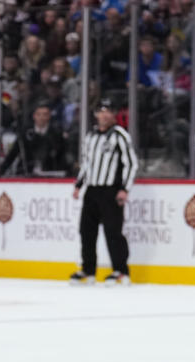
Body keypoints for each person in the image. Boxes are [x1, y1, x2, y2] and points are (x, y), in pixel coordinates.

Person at [70, 99, 137, 286]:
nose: (104, 115)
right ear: (96, 114)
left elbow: (131, 163)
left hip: (111, 190)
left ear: (113, 115)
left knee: (113, 231)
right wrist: (78, 185)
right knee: (86, 231)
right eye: (101, 111)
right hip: (92, 189)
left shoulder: (120, 135)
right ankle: (88, 270)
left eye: (108, 111)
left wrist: (124, 188)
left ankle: (121, 270)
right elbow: (87, 163)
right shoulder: (90, 136)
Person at [0, 103, 67, 176]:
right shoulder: (25, 133)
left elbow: (61, 155)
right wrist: (1, 171)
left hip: (49, 173)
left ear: (49, 116)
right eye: (38, 114)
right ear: (34, 116)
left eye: (45, 114)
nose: (41, 117)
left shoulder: (56, 133)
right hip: (26, 171)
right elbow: (13, 154)